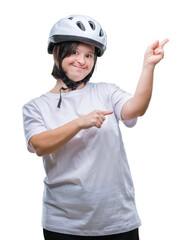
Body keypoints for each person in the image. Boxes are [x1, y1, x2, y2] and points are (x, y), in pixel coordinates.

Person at [22, 14, 168, 240]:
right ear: (56, 53)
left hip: (118, 220)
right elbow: (40, 145)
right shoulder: (35, 107)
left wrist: (148, 67)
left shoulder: (106, 92)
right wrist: (81, 122)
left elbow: (136, 108)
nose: (82, 60)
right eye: (74, 52)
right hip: (63, 225)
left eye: (89, 55)